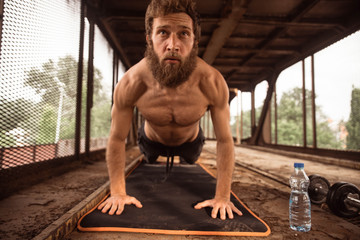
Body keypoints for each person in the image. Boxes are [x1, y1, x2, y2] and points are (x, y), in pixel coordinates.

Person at [98, 0, 242, 220]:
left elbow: (224, 140)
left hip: (191, 143)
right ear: (149, 39)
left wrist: (222, 197)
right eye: (163, 32)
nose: (172, 45)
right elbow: (117, 138)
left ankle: (186, 158)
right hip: (150, 141)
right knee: (149, 163)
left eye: (183, 34)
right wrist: (117, 192)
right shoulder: (131, 82)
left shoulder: (211, 81)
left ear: (194, 42)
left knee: (190, 164)